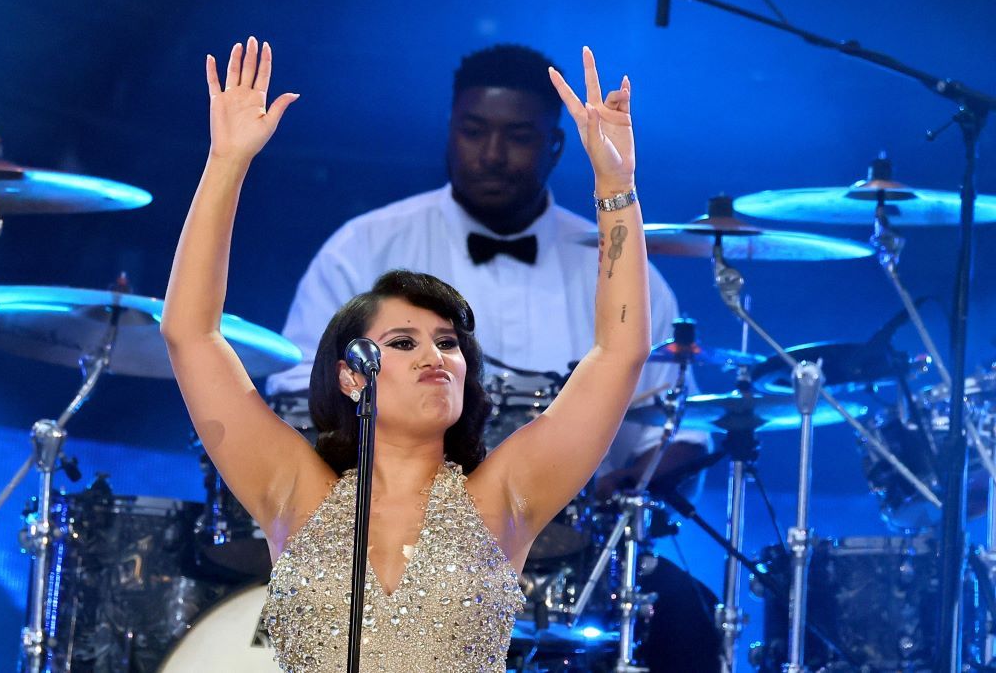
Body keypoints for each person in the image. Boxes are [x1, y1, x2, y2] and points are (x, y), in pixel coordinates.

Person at [162, 36, 648, 671]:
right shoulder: (292, 492)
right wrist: (225, 162)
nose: (435, 355)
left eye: (449, 343)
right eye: (403, 342)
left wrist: (616, 184)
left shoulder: (502, 500)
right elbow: (191, 335)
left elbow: (619, 354)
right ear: (350, 376)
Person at [266, 44, 719, 671]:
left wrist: (617, 188)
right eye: (473, 131)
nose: (492, 155)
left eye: (517, 136)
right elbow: (273, 383)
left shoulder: (510, 489)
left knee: (687, 612)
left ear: (555, 147)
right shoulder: (362, 248)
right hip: (365, 545)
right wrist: (225, 163)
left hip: (580, 545)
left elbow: (634, 369)